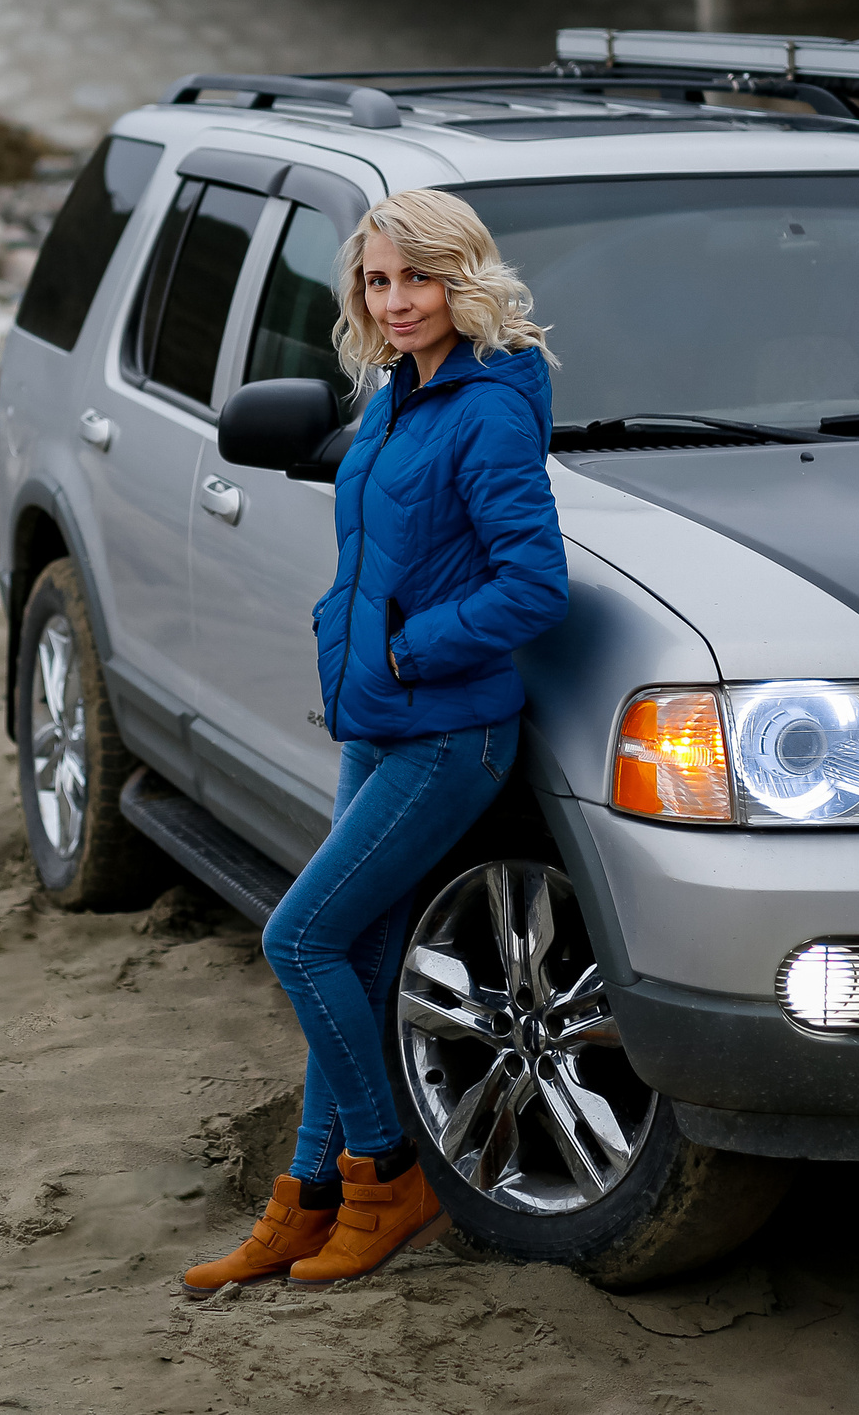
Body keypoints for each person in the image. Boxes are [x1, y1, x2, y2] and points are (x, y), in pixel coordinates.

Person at [182, 188, 568, 1295]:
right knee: (347, 956)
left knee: (299, 939)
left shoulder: (488, 409)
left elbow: (534, 585)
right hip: (377, 716)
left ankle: (387, 1175)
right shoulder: (401, 393)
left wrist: (404, 650)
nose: (396, 301)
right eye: (378, 280)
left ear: (463, 278)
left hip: (444, 732)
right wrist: (353, 644)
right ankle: (308, 1202)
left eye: (419, 278)